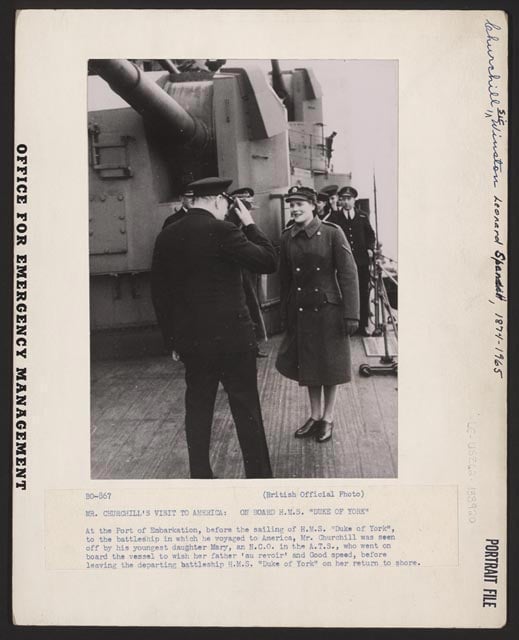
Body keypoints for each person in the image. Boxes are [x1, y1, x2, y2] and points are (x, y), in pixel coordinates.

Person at [151, 177, 277, 479]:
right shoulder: (224, 230)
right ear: (219, 200)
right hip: (234, 340)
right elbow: (268, 260)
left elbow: (160, 293)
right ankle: (258, 476)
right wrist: (248, 223)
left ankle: (201, 474)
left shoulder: (167, 235)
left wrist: (172, 342)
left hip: (192, 343)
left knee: (198, 407)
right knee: (246, 406)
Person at [275, 186, 359, 443]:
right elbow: (284, 279)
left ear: (314, 206)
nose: (296, 208)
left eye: (300, 203)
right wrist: (284, 314)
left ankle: (328, 418)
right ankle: (314, 416)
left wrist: (352, 314)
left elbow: (348, 273)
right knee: (309, 366)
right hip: (302, 312)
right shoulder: (287, 237)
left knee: (329, 366)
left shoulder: (332, 233)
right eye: (292, 204)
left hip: (329, 312)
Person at [329, 186, 376, 337]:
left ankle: (363, 326)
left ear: (354, 200)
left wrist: (369, 248)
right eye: (343, 199)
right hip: (342, 265)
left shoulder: (362, 216)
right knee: (343, 294)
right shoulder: (335, 218)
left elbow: (370, 235)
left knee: (363, 293)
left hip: (361, 263)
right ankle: (346, 327)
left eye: (349, 199)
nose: (346, 202)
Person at [228, 187, 268, 358]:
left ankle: (253, 344)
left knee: (253, 304)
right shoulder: (234, 222)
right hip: (240, 272)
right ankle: (250, 345)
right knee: (247, 305)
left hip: (250, 270)